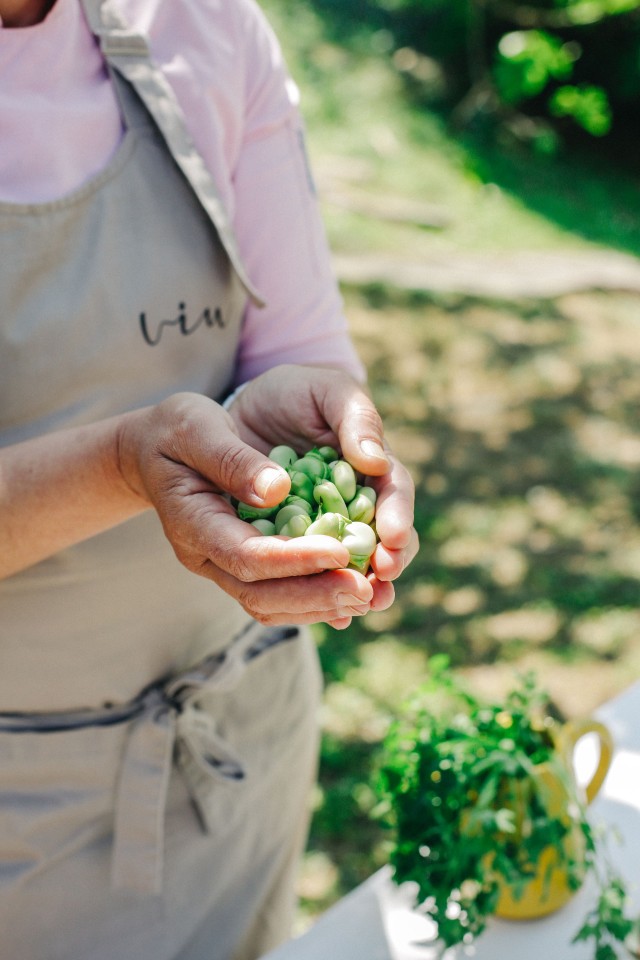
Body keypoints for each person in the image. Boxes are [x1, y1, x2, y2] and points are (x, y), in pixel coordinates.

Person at [0, 0, 419, 958]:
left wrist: (334, 415)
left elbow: (300, 344)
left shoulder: (205, 25)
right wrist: (121, 464)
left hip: (240, 740)